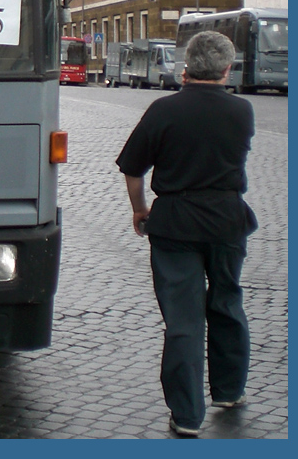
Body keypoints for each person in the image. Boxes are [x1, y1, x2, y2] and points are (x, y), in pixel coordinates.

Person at [115, 30, 257, 438]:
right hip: (227, 218)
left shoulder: (163, 110)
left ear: (187, 66)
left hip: (176, 220)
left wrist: (140, 209)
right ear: (227, 69)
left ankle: (186, 413)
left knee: (182, 319)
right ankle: (229, 390)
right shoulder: (242, 111)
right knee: (227, 303)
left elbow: (133, 167)